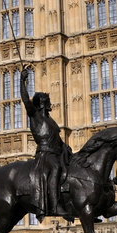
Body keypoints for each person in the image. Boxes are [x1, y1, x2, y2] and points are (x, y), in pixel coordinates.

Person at [20, 68, 72, 218]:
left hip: (56, 152)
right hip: (45, 155)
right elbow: (25, 100)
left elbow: (57, 139)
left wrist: (65, 147)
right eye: (48, 101)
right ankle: (55, 205)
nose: (50, 104)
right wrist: (22, 81)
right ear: (42, 103)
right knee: (55, 167)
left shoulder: (51, 121)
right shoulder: (35, 116)